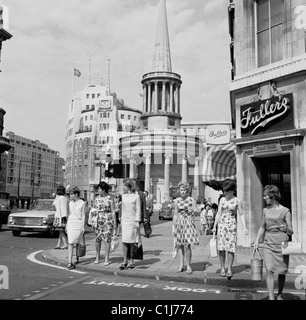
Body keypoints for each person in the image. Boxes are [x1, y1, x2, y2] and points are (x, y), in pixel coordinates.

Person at [254, 185, 293, 300]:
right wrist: (257, 240)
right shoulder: (265, 210)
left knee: (281, 272)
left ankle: (279, 294)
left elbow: (291, 231)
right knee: (269, 270)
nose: (264, 198)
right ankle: (271, 298)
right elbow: (262, 227)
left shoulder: (286, 211)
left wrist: (286, 229)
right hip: (268, 243)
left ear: (273, 196)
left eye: (265, 196)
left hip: (282, 244)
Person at [212, 180, 248, 280]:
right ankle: (222, 268)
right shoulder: (222, 200)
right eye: (224, 191)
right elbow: (218, 213)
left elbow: (241, 214)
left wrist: (245, 227)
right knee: (221, 248)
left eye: (227, 191)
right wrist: (214, 226)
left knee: (231, 248)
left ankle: (229, 268)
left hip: (231, 225)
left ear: (232, 191)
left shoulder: (237, 201)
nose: (225, 193)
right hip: (222, 225)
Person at [172, 181, 199, 274]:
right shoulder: (177, 200)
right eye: (181, 190)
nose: (182, 191)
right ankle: (181, 265)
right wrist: (174, 224)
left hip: (188, 222)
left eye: (184, 190)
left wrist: (193, 210)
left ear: (187, 190)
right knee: (180, 245)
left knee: (187, 246)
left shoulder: (191, 200)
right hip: (180, 223)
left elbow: (197, 211)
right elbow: (175, 213)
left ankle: (188, 265)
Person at [119, 178, 141, 270]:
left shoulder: (136, 196)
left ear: (129, 186)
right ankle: (125, 260)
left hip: (132, 221)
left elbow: (138, 210)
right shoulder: (123, 197)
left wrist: (137, 221)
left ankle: (132, 260)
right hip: (125, 221)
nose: (123, 187)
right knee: (124, 241)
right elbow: (123, 210)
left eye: (124, 185)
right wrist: (121, 221)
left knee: (132, 242)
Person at [92, 181, 115, 266]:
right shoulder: (97, 198)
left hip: (107, 219)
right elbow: (94, 209)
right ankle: (97, 257)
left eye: (99, 189)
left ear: (104, 190)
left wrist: (115, 222)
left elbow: (113, 210)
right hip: (98, 219)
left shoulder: (110, 198)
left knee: (107, 239)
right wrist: (93, 221)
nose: (98, 190)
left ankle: (106, 258)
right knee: (98, 239)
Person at [66, 187, 86, 270]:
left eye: (71, 194)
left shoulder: (82, 203)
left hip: (78, 223)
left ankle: (77, 257)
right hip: (71, 223)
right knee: (70, 243)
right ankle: (70, 262)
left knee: (77, 242)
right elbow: (68, 214)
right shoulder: (69, 203)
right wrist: (67, 225)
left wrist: (83, 226)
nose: (70, 196)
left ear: (76, 194)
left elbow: (83, 215)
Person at [53, 185, 68, 250]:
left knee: (61, 231)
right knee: (61, 230)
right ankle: (58, 244)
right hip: (63, 216)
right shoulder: (65, 198)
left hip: (59, 216)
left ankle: (65, 244)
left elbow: (54, 205)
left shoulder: (58, 198)